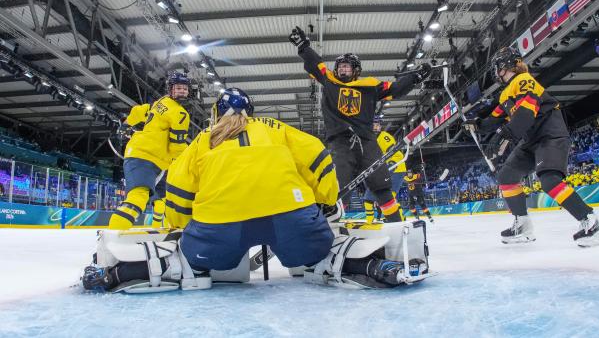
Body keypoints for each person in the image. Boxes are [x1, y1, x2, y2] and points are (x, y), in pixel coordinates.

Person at [83, 88, 413, 291]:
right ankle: (364, 265)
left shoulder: (202, 140)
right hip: (292, 221)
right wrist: (325, 202)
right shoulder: (276, 128)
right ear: (251, 112)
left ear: (215, 114)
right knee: (319, 252)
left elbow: (178, 192)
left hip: (219, 233)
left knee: (191, 263)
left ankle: (122, 272)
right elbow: (319, 158)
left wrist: (181, 230)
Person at [464, 47, 599, 247]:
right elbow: (493, 120)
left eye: (497, 67)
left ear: (505, 65)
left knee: (550, 181)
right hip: (530, 141)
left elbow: (525, 113)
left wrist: (501, 135)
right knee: (506, 178)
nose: (495, 73)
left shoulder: (524, 80)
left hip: (550, 135)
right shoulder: (506, 94)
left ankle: (592, 224)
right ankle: (522, 225)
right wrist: (477, 124)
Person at [289, 26, 433, 222]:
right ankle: (328, 225)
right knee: (338, 186)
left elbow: (396, 88)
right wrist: (303, 45)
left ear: (356, 70)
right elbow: (315, 63)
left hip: (366, 141)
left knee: (381, 185)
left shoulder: (370, 86)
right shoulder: (329, 80)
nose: (342, 69)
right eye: (340, 66)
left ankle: (396, 223)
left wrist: (415, 77)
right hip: (340, 142)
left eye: (347, 66)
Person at [108, 72, 191, 230]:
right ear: (171, 89)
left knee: (161, 199)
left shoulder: (161, 101)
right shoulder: (180, 114)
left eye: (185, 89)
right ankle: (113, 234)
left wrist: (125, 125)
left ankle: (158, 228)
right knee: (139, 195)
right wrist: (187, 163)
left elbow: (140, 111)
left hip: (152, 160)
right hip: (146, 156)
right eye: (179, 88)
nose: (182, 91)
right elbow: (177, 147)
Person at [362, 116, 407, 223]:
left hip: (396, 169)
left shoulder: (384, 137)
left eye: (378, 125)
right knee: (368, 200)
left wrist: (389, 167)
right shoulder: (369, 140)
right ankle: (369, 223)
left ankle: (399, 221)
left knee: (388, 198)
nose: (376, 127)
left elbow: (396, 154)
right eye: (374, 125)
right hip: (381, 172)